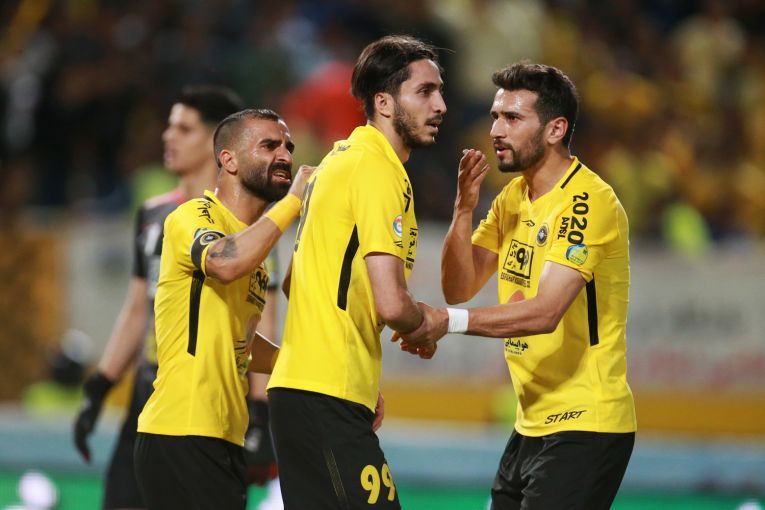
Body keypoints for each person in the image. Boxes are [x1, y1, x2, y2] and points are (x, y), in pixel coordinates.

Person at [397, 62, 636, 509]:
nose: (495, 130)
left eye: (512, 118)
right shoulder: (513, 197)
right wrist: (463, 210)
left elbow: (546, 312)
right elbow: (459, 286)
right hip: (530, 426)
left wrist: (445, 322)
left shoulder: (588, 202)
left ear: (555, 129)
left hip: (585, 425)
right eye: (495, 116)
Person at [266, 35, 446, 510]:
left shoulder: (338, 162)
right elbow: (391, 302)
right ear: (384, 102)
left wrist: (359, 376)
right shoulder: (375, 169)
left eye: (439, 91)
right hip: (326, 392)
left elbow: (297, 282)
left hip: (312, 387)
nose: (441, 105)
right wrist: (425, 325)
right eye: (425, 91)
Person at [72, 85, 244, 510]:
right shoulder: (153, 214)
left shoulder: (242, 226)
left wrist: (258, 413)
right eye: (169, 127)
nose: (168, 137)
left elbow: (260, 319)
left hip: (204, 404)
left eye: (183, 129)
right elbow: (137, 309)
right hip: (147, 395)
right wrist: (100, 387)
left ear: (216, 141)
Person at [133, 108, 313, 510]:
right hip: (181, 431)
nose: (285, 155)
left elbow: (241, 342)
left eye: (288, 146)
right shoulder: (193, 216)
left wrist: (318, 374)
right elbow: (223, 263)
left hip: (223, 438)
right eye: (269, 145)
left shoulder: (253, 250)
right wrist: (293, 203)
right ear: (228, 160)